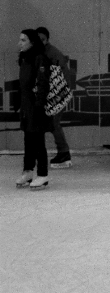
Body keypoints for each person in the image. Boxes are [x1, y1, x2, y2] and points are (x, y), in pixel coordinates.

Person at [15, 29, 52, 190]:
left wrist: (39, 105)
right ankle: (28, 171)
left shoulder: (39, 58)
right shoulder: (25, 58)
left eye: (23, 40)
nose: (19, 43)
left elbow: (43, 84)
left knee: (37, 140)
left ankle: (42, 174)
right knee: (28, 140)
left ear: (32, 42)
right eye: (20, 40)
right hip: (26, 106)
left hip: (36, 106)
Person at [36, 27, 72, 168]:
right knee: (52, 124)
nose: (41, 42)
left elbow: (58, 76)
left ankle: (64, 152)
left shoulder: (51, 53)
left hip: (58, 94)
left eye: (42, 40)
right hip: (57, 94)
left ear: (47, 40)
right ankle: (63, 152)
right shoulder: (46, 52)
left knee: (54, 124)